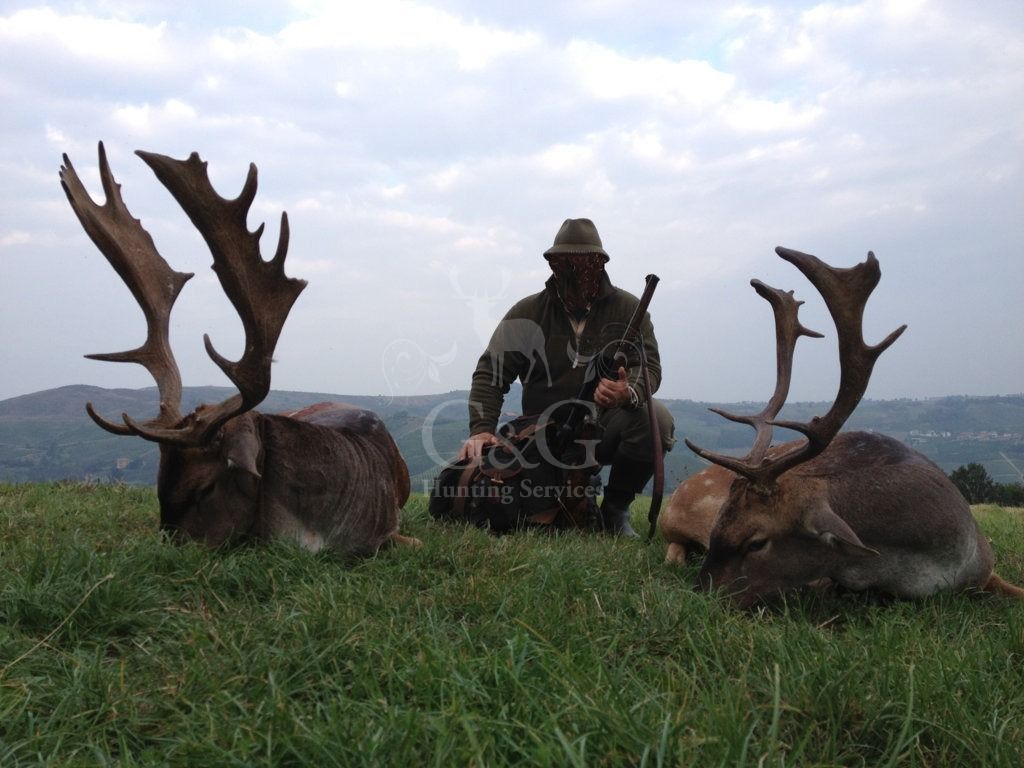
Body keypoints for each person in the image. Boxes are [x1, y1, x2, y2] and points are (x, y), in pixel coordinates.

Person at [457, 218, 675, 537]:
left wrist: (627, 392)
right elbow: (491, 371)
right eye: (565, 262)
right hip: (541, 434)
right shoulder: (528, 312)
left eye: (585, 263)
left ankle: (615, 508)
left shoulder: (629, 308)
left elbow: (650, 366)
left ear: (599, 264)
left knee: (657, 418)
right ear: (553, 264)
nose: (575, 270)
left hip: (602, 427)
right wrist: (482, 429)